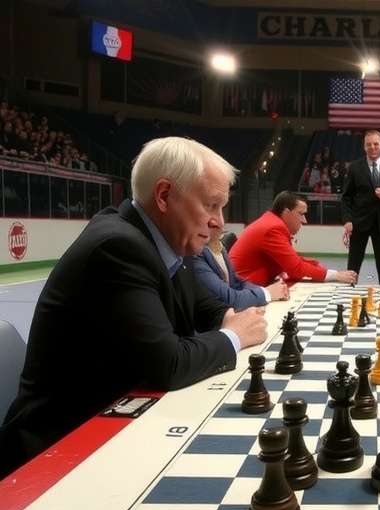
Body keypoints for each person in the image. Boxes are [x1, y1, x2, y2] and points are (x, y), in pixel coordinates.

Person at [0, 137, 267, 479]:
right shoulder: (118, 247)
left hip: (107, 432)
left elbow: (205, 307)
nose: (219, 222)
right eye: (211, 205)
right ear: (164, 195)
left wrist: (226, 317)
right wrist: (234, 336)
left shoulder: (164, 241)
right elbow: (168, 364)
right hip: (56, 454)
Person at [230, 191, 357, 285]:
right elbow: (295, 268)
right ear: (286, 212)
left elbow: (293, 260)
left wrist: (318, 267)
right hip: (243, 290)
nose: (304, 220)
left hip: (245, 285)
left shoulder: (271, 222)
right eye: (301, 214)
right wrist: (336, 275)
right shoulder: (273, 228)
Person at [341, 130, 380, 286]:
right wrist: (347, 220)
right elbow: (346, 197)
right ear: (364, 147)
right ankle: (348, 291)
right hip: (358, 223)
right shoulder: (354, 167)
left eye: (376, 144)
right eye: (368, 144)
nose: (372, 147)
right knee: (353, 263)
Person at [189, 227, 289, 311]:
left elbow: (237, 282)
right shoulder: (194, 253)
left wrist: (268, 290)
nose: (219, 221)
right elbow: (228, 300)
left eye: (220, 212)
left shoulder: (218, 245)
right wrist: (268, 293)